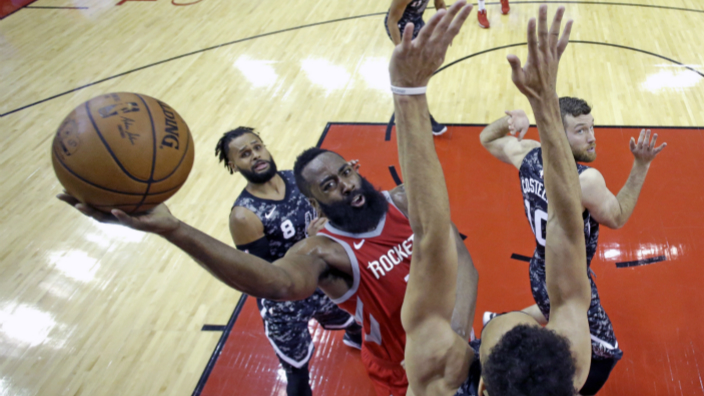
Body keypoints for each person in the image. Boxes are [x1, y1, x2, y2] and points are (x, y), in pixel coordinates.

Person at [58, 146, 477, 396]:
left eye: (345, 173)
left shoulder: (404, 201)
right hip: (400, 371)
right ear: (315, 203)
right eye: (328, 185)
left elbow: (459, 255)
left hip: (455, 337)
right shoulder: (325, 250)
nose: (345, 185)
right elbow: (277, 282)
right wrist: (174, 229)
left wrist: (456, 333)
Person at [389, 3, 606, 395]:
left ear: (484, 386)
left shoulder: (440, 382)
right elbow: (567, 227)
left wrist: (408, 91)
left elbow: (429, 238)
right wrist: (546, 106)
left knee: (454, 256)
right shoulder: (572, 370)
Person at [479, 90, 665, 394]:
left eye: (592, 127)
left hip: (540, 267)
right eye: (580, 131)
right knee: (603, 355)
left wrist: (509, 122)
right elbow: (617, 217)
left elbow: (487, 139)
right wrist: (641, 165)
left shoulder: (527, 154)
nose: (592, 137)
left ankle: (501, 320)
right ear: (557, 134)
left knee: (555, 311)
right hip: (569, 277)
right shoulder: (585, 180)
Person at [214, 126, 362, 396]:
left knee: (355, 320)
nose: (256, 155)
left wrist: (345, 182)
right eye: (245, 154)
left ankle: (355, 338)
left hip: (324, 281)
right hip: (285, 304)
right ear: (234, 166)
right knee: (297, 377)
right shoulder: (244, 216)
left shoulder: (297, 180)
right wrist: (309, 242)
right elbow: (262, 276)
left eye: (257, 146)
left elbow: (326, 209)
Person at [385, 0, 448, 135]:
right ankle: (424, 118)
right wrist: (401, 51)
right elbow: (392, 22)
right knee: (412, 74)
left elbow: (440, 5)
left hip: (416, 22)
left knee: (425, 66)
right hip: (400, 27)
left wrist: (446, 30)